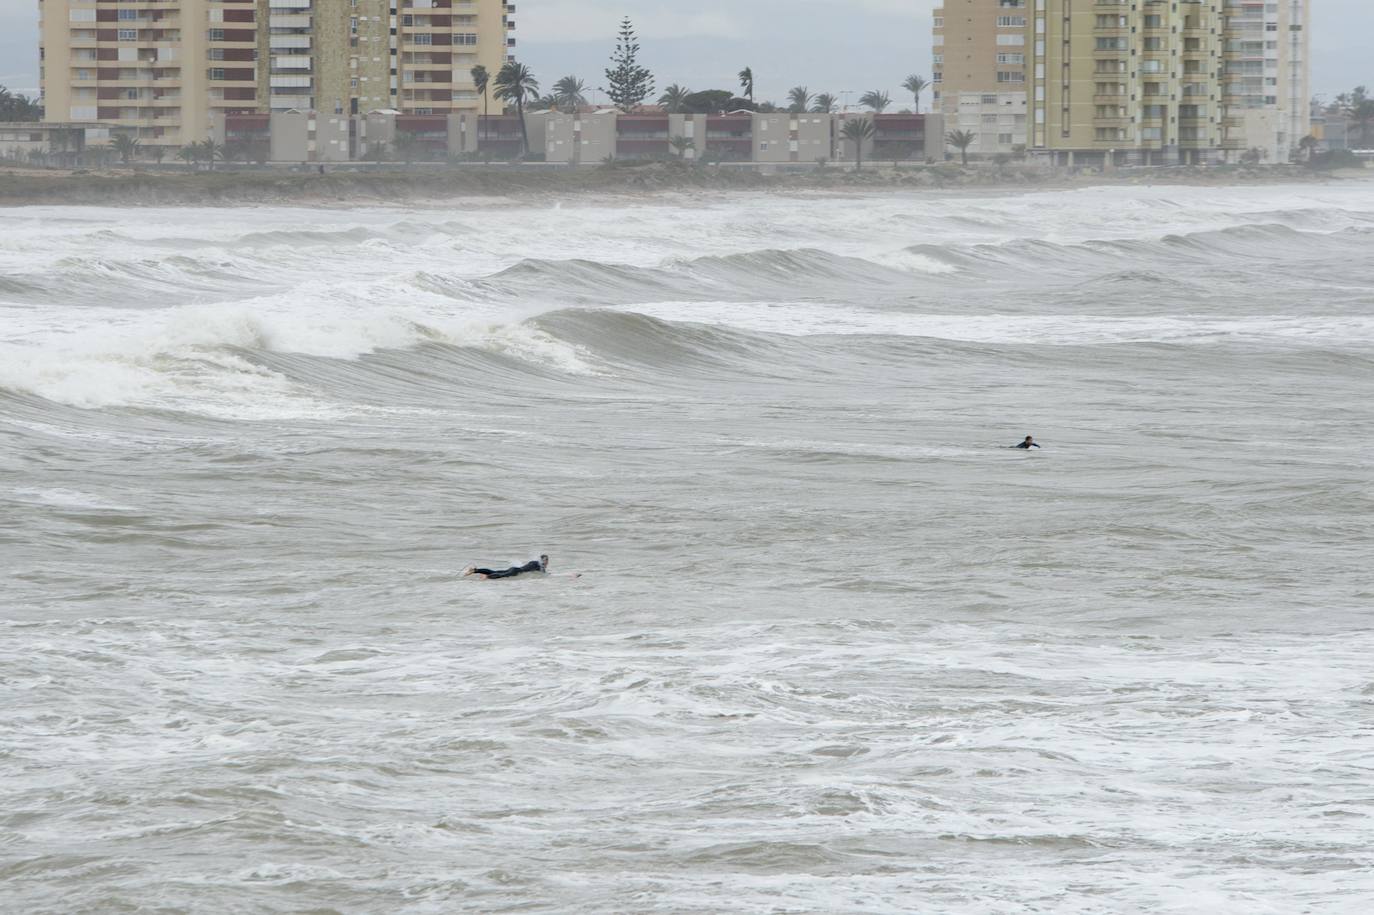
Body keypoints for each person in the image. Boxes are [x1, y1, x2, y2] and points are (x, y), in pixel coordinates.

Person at [464, 554, 549, 580]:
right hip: (515, 572)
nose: (547, 563)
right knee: (501, 575)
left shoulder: (533, 562)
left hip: (514, 569)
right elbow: (543, 574)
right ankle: (487, 576)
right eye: (546, 561)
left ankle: (475, 570)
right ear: (544, 561)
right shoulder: (540, 566)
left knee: (495, 571)